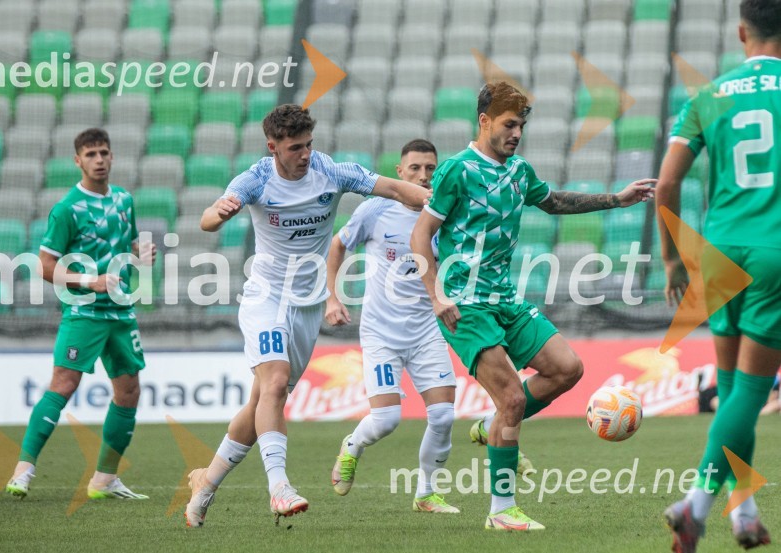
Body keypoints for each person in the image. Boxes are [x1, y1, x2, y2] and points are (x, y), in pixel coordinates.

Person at [410, 81, 654, 531]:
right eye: (509, 124)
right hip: (464, 305)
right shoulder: (456, 172)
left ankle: (491, 426)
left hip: (505, 298)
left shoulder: (519, 171)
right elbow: (420, 236)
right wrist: (436, 295)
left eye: (520, 125)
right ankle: (502, 511)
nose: (516, 133)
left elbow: (555, 201)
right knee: (510, 398)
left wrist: (616, 199)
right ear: (484, 121)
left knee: (568, 368)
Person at [184, 104, 431, 527]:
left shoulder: (331, 171)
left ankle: (204, 484)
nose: (305, 154)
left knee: (263, 399)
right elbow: (208, 219)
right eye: (295, 147)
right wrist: (219, 213)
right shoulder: (256, 178)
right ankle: (279, 487)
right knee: (275, 382)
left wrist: (436, 202)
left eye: (308, 145)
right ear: (273, 147)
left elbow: (393, 188)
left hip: (307, 304)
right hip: (266, 296)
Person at [658, 1, 781, 550]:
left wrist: (670, 259)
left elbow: (664, 186)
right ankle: (695, 506)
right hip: (773, 252)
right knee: (750, 395)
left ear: (741, 31)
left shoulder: (709, 95)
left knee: (730, 387)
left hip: (717, 251)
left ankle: (745, 515)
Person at [6, 128, 156, 500]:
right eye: (91, 154)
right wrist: (90, 281)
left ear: (112, 156)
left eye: (104, 152)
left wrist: (141, 256)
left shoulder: (124, 199)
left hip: (121, 313)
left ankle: (104, 479)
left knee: (129, 390)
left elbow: (130, 245)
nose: (99, 160)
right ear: (78, 161)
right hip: (84, 311)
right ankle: (23, 470)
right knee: (63, 383)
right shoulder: (67, 208)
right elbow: (43, 267)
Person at [324, 139, 460, 513]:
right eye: (415, 168)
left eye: (431, 168)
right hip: (381, 332)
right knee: (385, 420)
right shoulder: (375, 210)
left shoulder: (444, 214)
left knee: (444, 415)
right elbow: (337, 246)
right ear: (400, 173)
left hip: (427, 329)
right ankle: (352, 446)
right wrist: (331, 297)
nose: (423, 175)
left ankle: (426, 493)